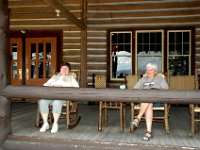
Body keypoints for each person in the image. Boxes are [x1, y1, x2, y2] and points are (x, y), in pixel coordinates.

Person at [130, 63, 168, 141]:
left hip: (157, 101)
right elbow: (135, 89)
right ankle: (148, 132)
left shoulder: (160, 79)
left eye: (151, 70)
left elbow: (166, 90)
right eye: (147, 70)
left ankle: (138, 118)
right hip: (145, 101)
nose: (149, 72)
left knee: (149, 99)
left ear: (155, 72)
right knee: (149, 102)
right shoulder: (143, 79)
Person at [39, 62, 79, 133]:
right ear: (60, 69)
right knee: (42, 101)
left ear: (69, 71)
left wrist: (64, 86)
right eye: (63, 68)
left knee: (56, 102)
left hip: (63, 96)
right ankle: (45, 123)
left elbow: (77, 87)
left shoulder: (71, 78)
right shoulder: (54, 77)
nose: (65, 70)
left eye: (67, 69)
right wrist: (52, 86)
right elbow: (45, 84)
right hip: (51, 95)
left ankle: (55, 124)